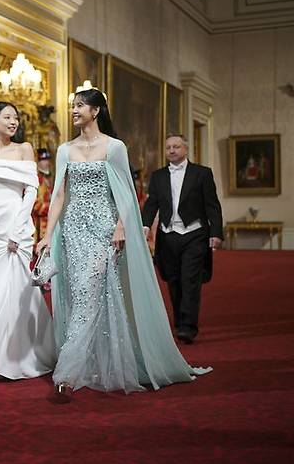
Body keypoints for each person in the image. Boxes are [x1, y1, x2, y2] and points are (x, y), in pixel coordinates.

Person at [36, 86, 211, 396]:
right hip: (73, 230)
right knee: (80, 293)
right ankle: (92, 361)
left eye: (80, 105)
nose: (74, 110)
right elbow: (60, 194)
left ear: (96, 110)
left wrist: (120, 226)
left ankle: (68, 372)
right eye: (73, 106)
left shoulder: (115, 147)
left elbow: (127, 195)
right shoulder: (65, 149)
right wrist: (48, 235)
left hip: (104, 229)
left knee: (90, 289)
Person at [0, 101, 55, 382]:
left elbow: (31, 192)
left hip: (15, 229)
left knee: (14, 292)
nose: (13, 121)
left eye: (15, 118)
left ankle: (16, 354)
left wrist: (17, 231)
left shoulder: (24, 149)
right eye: (7, 117)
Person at [141, 134, 223, 344]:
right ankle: (179, 322)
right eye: (168, 147)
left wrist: (216, 233)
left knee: (190, 280)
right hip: (168, 236)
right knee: (173, 280)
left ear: (185, 149)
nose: (171, 150)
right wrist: (144, 225)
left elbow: (212, 205)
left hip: (194, 234)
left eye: (176, 146)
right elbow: (152, 204)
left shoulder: (202, 174)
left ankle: (188, 327)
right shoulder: (158, 176)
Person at [33, 148, 53, 240]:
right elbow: (34, 203)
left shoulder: (49, 178)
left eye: (47, 159)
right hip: (38, 223)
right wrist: (49, 209)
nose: (47, 162)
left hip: (49, 221)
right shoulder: (36, 179)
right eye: (43, 160)